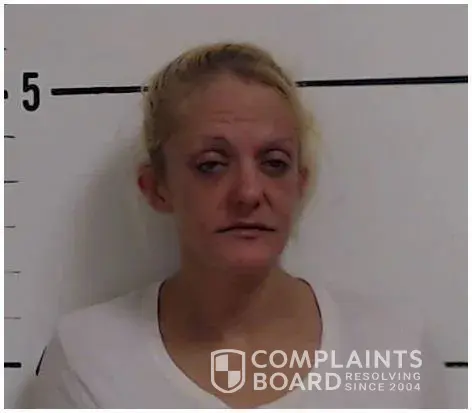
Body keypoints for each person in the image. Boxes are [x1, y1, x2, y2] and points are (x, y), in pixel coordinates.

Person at [27, 42, 447, 409]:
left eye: (274, 163)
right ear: (156, 188)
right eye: (211, 165)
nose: (248, 192)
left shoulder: (394, 351)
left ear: (299, 184)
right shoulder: (89, 359)